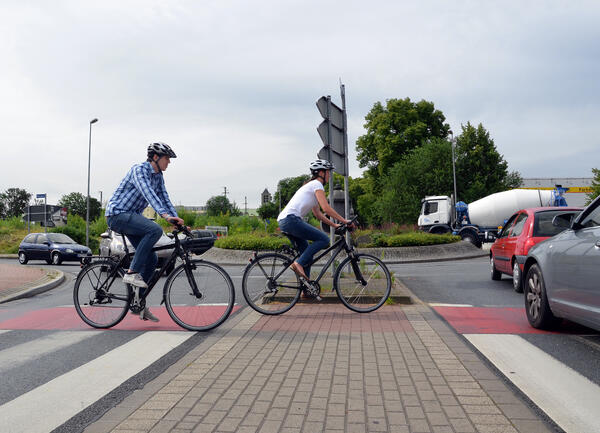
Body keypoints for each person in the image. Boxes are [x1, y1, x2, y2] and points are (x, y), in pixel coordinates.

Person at [105, 142, 184, 322]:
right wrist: (164, 216)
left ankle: (138, 302)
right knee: (154, 230)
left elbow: (165, 198)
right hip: (117, 214)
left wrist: (176, 219)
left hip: (130, 217)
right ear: (155, 157)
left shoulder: (159, 177)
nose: (169, 162)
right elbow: (149, 194)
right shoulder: (139, 170)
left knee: (152, 260)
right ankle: (132, 273)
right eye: (167, 158)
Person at [277, 159, 353, 283]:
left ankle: (305, 289)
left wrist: (334, 224)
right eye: (328, 172)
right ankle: (298, 264)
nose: (329, 175)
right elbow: (326, 208)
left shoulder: (310, 186)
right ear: (321, 173)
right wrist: (345, 221)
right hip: (291, 220)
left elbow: (318, 214)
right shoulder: (317, 185)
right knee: (324, 239)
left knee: (306, 252)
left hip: (285, 221)